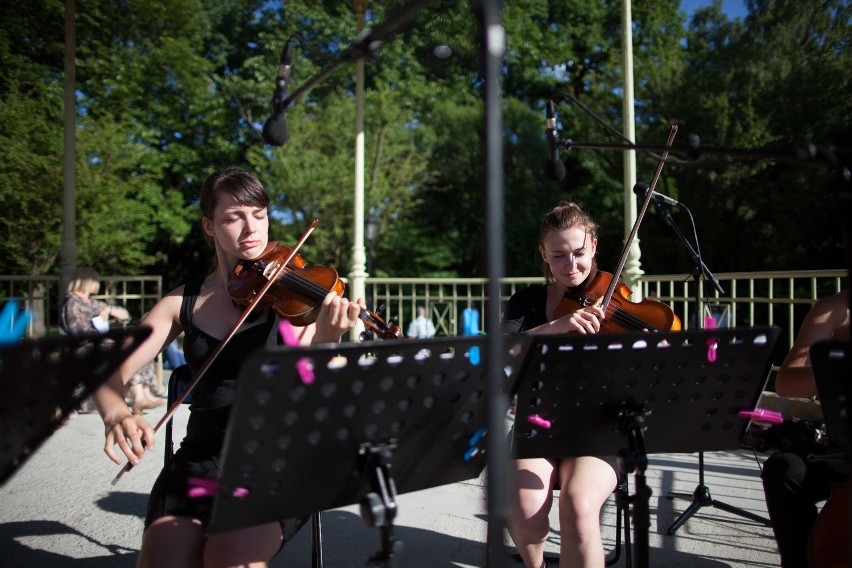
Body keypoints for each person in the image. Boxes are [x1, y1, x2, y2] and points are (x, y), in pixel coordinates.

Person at [91, 168, 364, 568]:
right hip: (203, 461)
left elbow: (316, 393)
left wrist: (327, 338)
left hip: (279, 463)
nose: (251, 228)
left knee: (227, 557)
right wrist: (116, 413)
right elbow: (108, 372)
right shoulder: (180, 303)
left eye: (259, 214)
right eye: (234, 217)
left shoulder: (295, 302)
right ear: (209, 226)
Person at [501, 202, 618, 568]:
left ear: (594, 246)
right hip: (539, 420)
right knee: (523, 509)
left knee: (578, 507)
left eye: (580, 253)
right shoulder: (527, 303)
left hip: (599, 424)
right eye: (559, 256)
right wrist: (555, 326)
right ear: (544, 255)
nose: (571, 266)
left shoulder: (615, 299)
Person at [761, 289, 849, 568]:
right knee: (784, 468)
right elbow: (786, 383)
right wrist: (837, 368)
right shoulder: (835, 308)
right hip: (844, 443)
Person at [60, 267, 133, 413]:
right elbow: (78, 333)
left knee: (134, 346)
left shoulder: (93, 303)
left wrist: (109, 312)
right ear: (87, 281)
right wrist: (102, 331)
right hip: (81, 348)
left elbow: (125, 316)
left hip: (98, 344)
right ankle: (137, 396)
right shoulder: (72, 302)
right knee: (116, 348)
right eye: (96, 281)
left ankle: (140, 393)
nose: (98, 285)